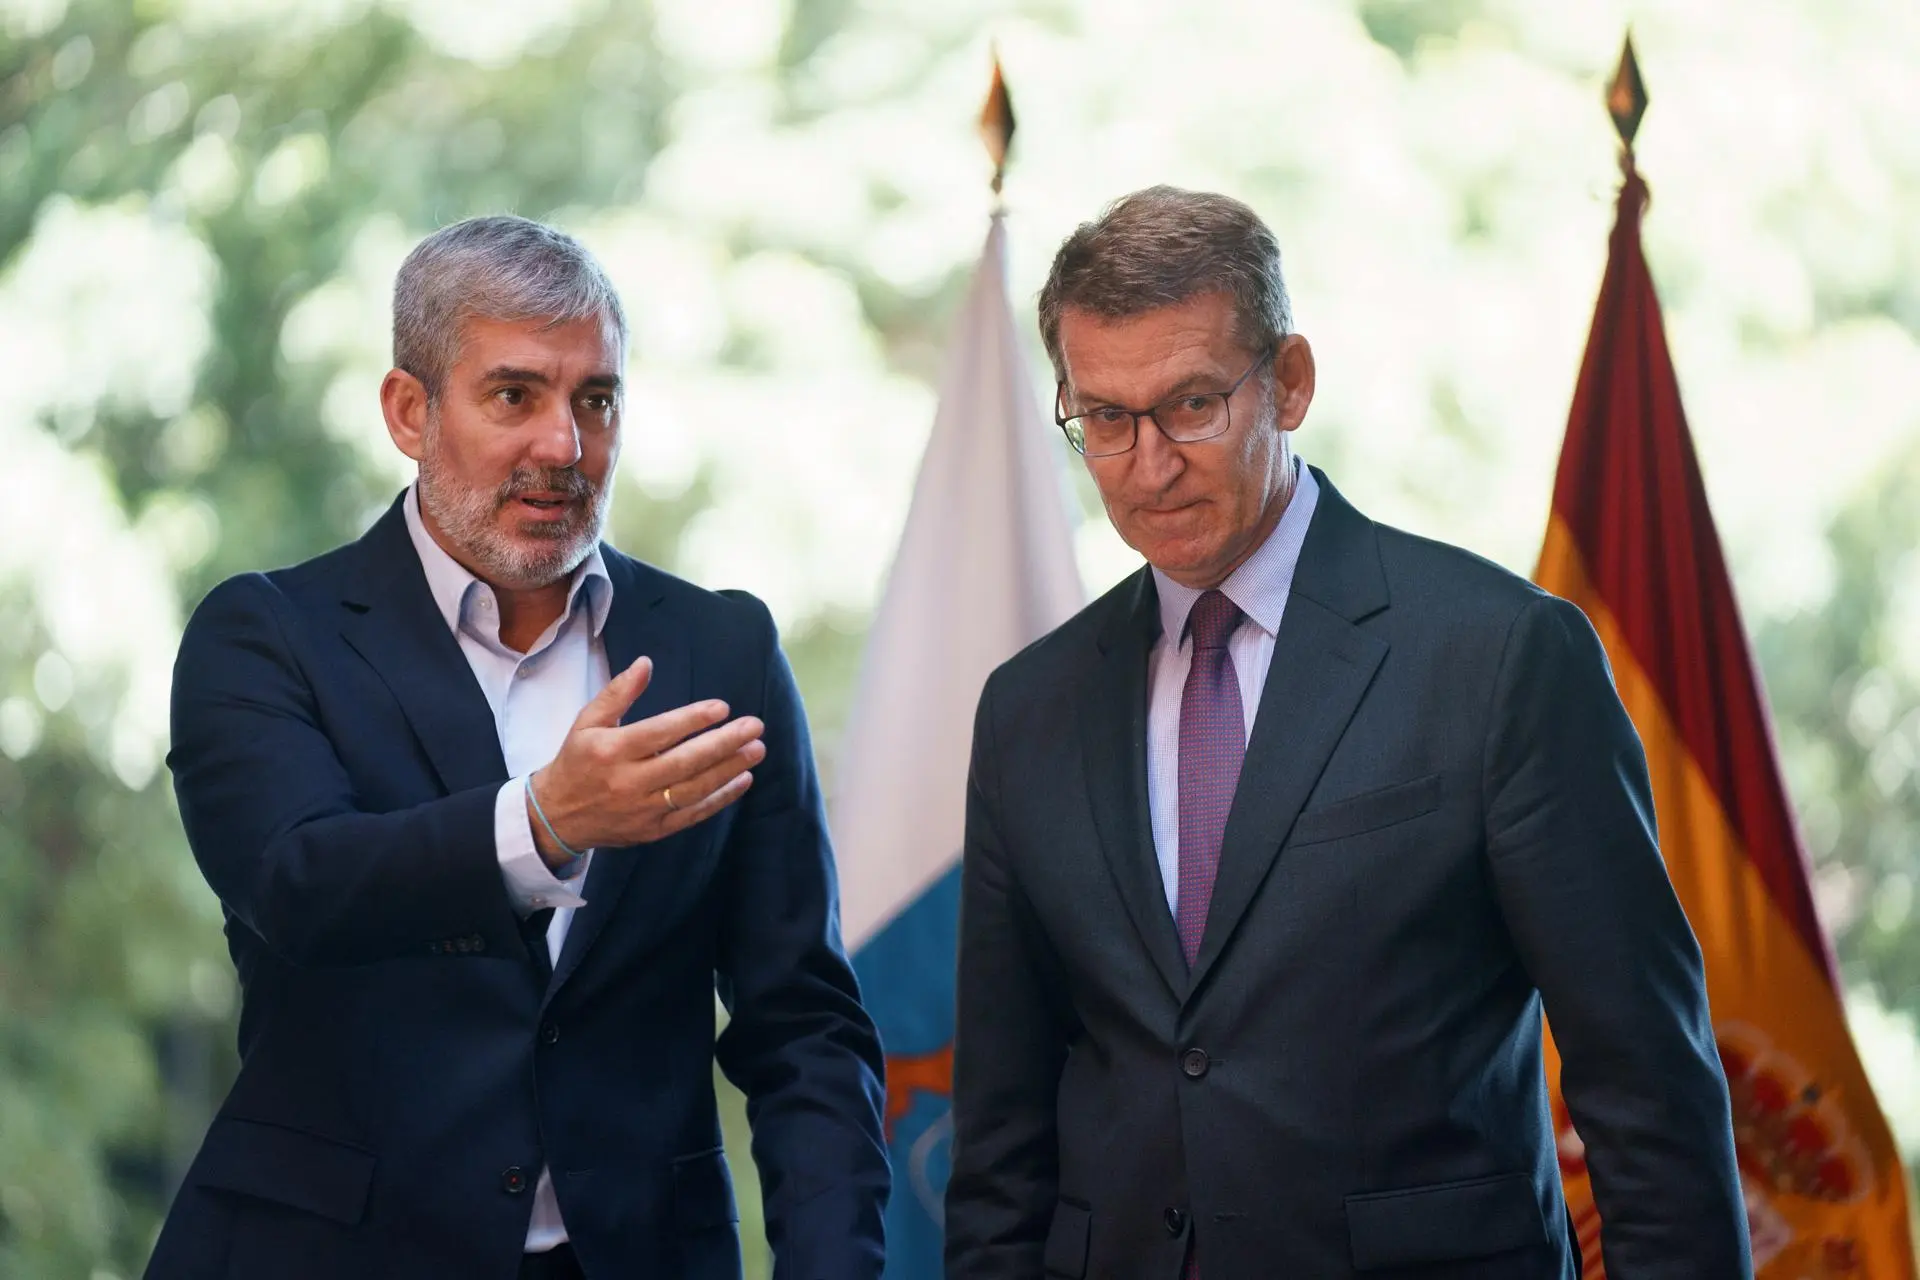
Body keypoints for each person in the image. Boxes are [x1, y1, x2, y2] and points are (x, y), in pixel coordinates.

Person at [943, 187, 1750, 1279]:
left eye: (1190, 404)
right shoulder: (1028, 707)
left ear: (1289, 381)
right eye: (1105, 418)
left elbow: (1648, 1087)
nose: (1147, 464)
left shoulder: (1503, 657)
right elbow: (999, 1135)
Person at [148, 215, 888, 1280]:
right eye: (515, 395)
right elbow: (297, 881)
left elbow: (804, 1025)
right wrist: (542, 823)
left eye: (596, 399)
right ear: (410, 410)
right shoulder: (267, 635)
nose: (564, 444)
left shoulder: (719, 648)